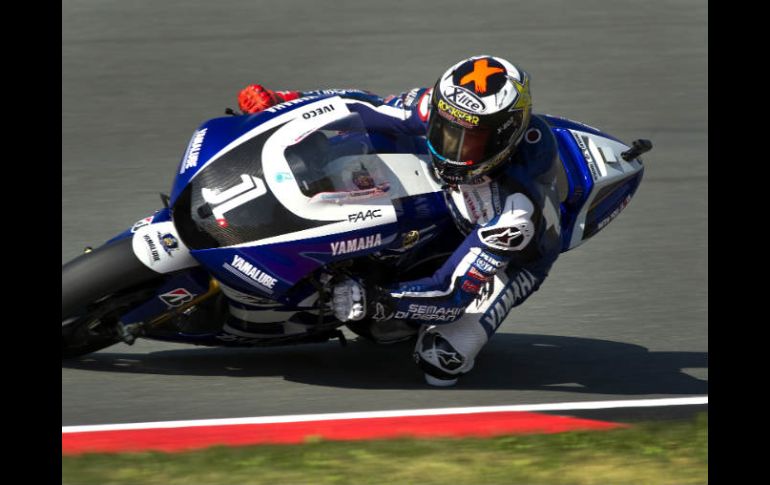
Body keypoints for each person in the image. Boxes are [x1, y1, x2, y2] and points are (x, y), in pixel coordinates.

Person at [237, 55, 563, 386]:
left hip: (510, 261)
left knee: (441, 362)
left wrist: (376, 300)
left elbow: (451, 296)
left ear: (502, 141)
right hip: (453, 195)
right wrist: (284, 100)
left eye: (469, 142)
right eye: (444, 130)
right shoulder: (445, 106)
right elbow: (363, 105)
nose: (450, 148)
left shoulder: (515, 212)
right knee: (360, 139)